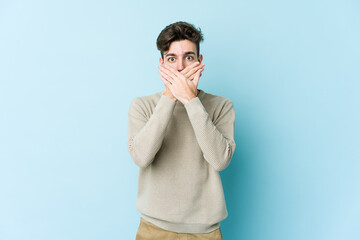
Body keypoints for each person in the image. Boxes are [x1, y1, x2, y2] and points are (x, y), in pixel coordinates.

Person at [127, 21, 236, 240]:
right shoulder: (142, 105)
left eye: (188, 57)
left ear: (199, 61)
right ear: (162, 64)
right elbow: (141, 157)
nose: (180, 67)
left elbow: (220, 161)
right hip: (153, 230)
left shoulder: (221, 106)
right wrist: (169, 97)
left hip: (205, 232)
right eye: (171, 59)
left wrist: (190, 100)